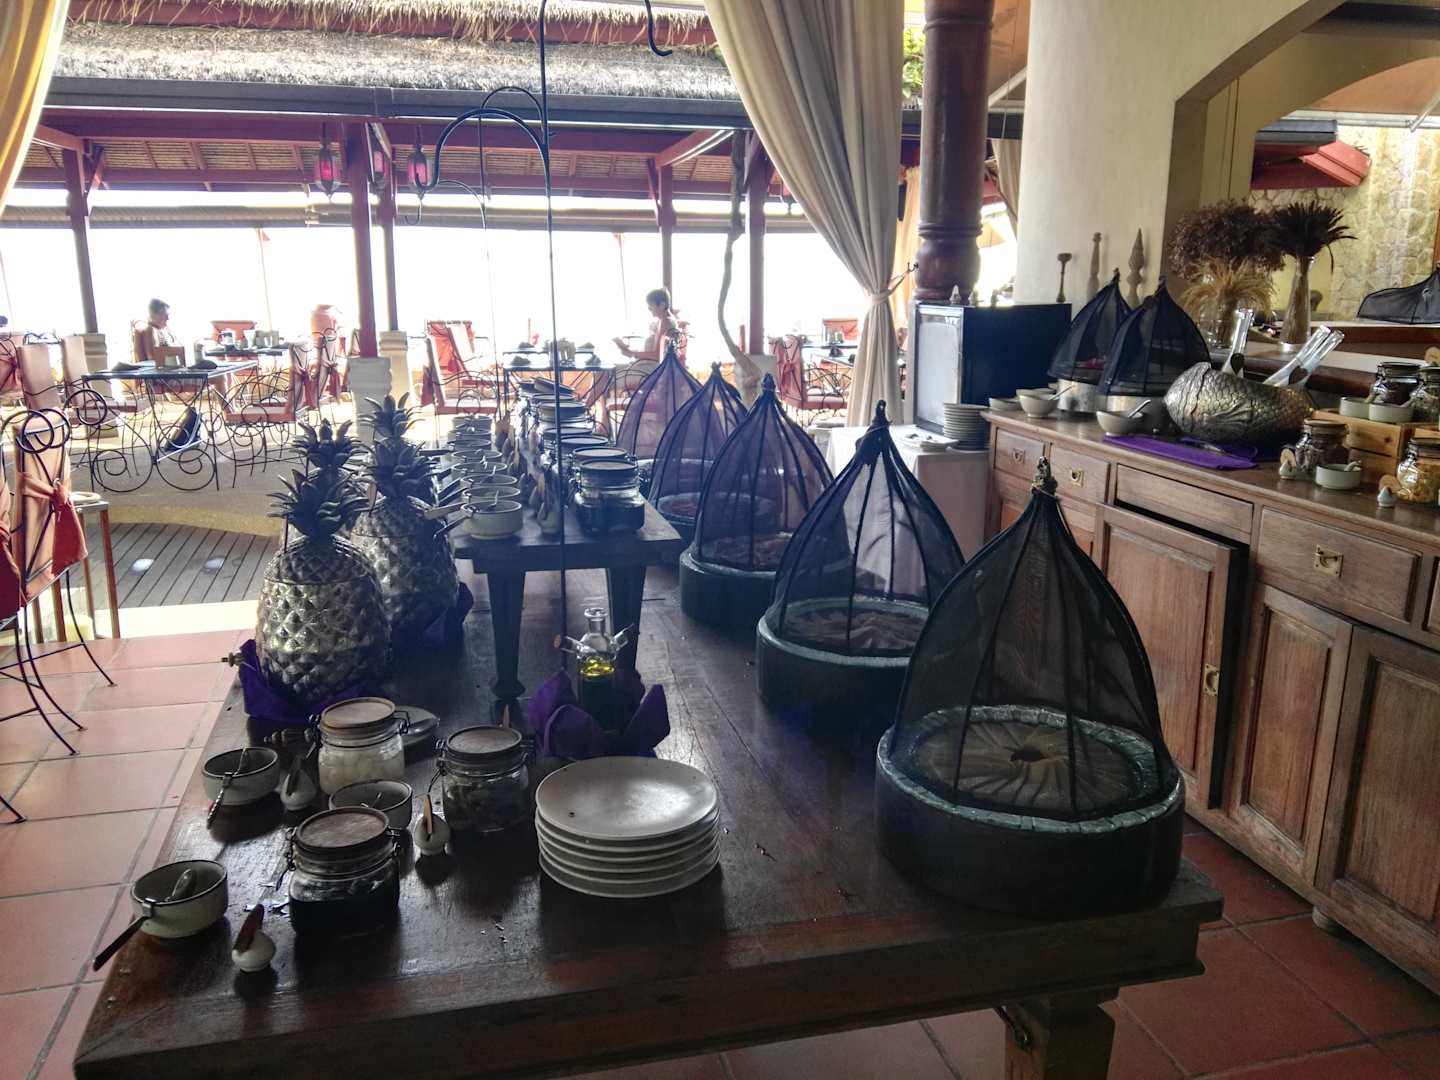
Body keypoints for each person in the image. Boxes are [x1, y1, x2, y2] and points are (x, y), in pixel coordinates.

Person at [613, 287, 681, 363]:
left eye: (651, 305)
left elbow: (658, 355)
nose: (648, 308)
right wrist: (631, 351)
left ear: (662, 305)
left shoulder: (666, 321)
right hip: (651, 364)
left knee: (613, 368)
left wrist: (631, 353)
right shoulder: (665, 320)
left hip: (653, 367)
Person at [135, 298, 182, 365]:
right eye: (165, 315)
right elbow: (152, 358)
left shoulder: (163, 330)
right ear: (153, 315)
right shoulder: (150, 330)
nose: (167, 318)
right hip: (156, 369)